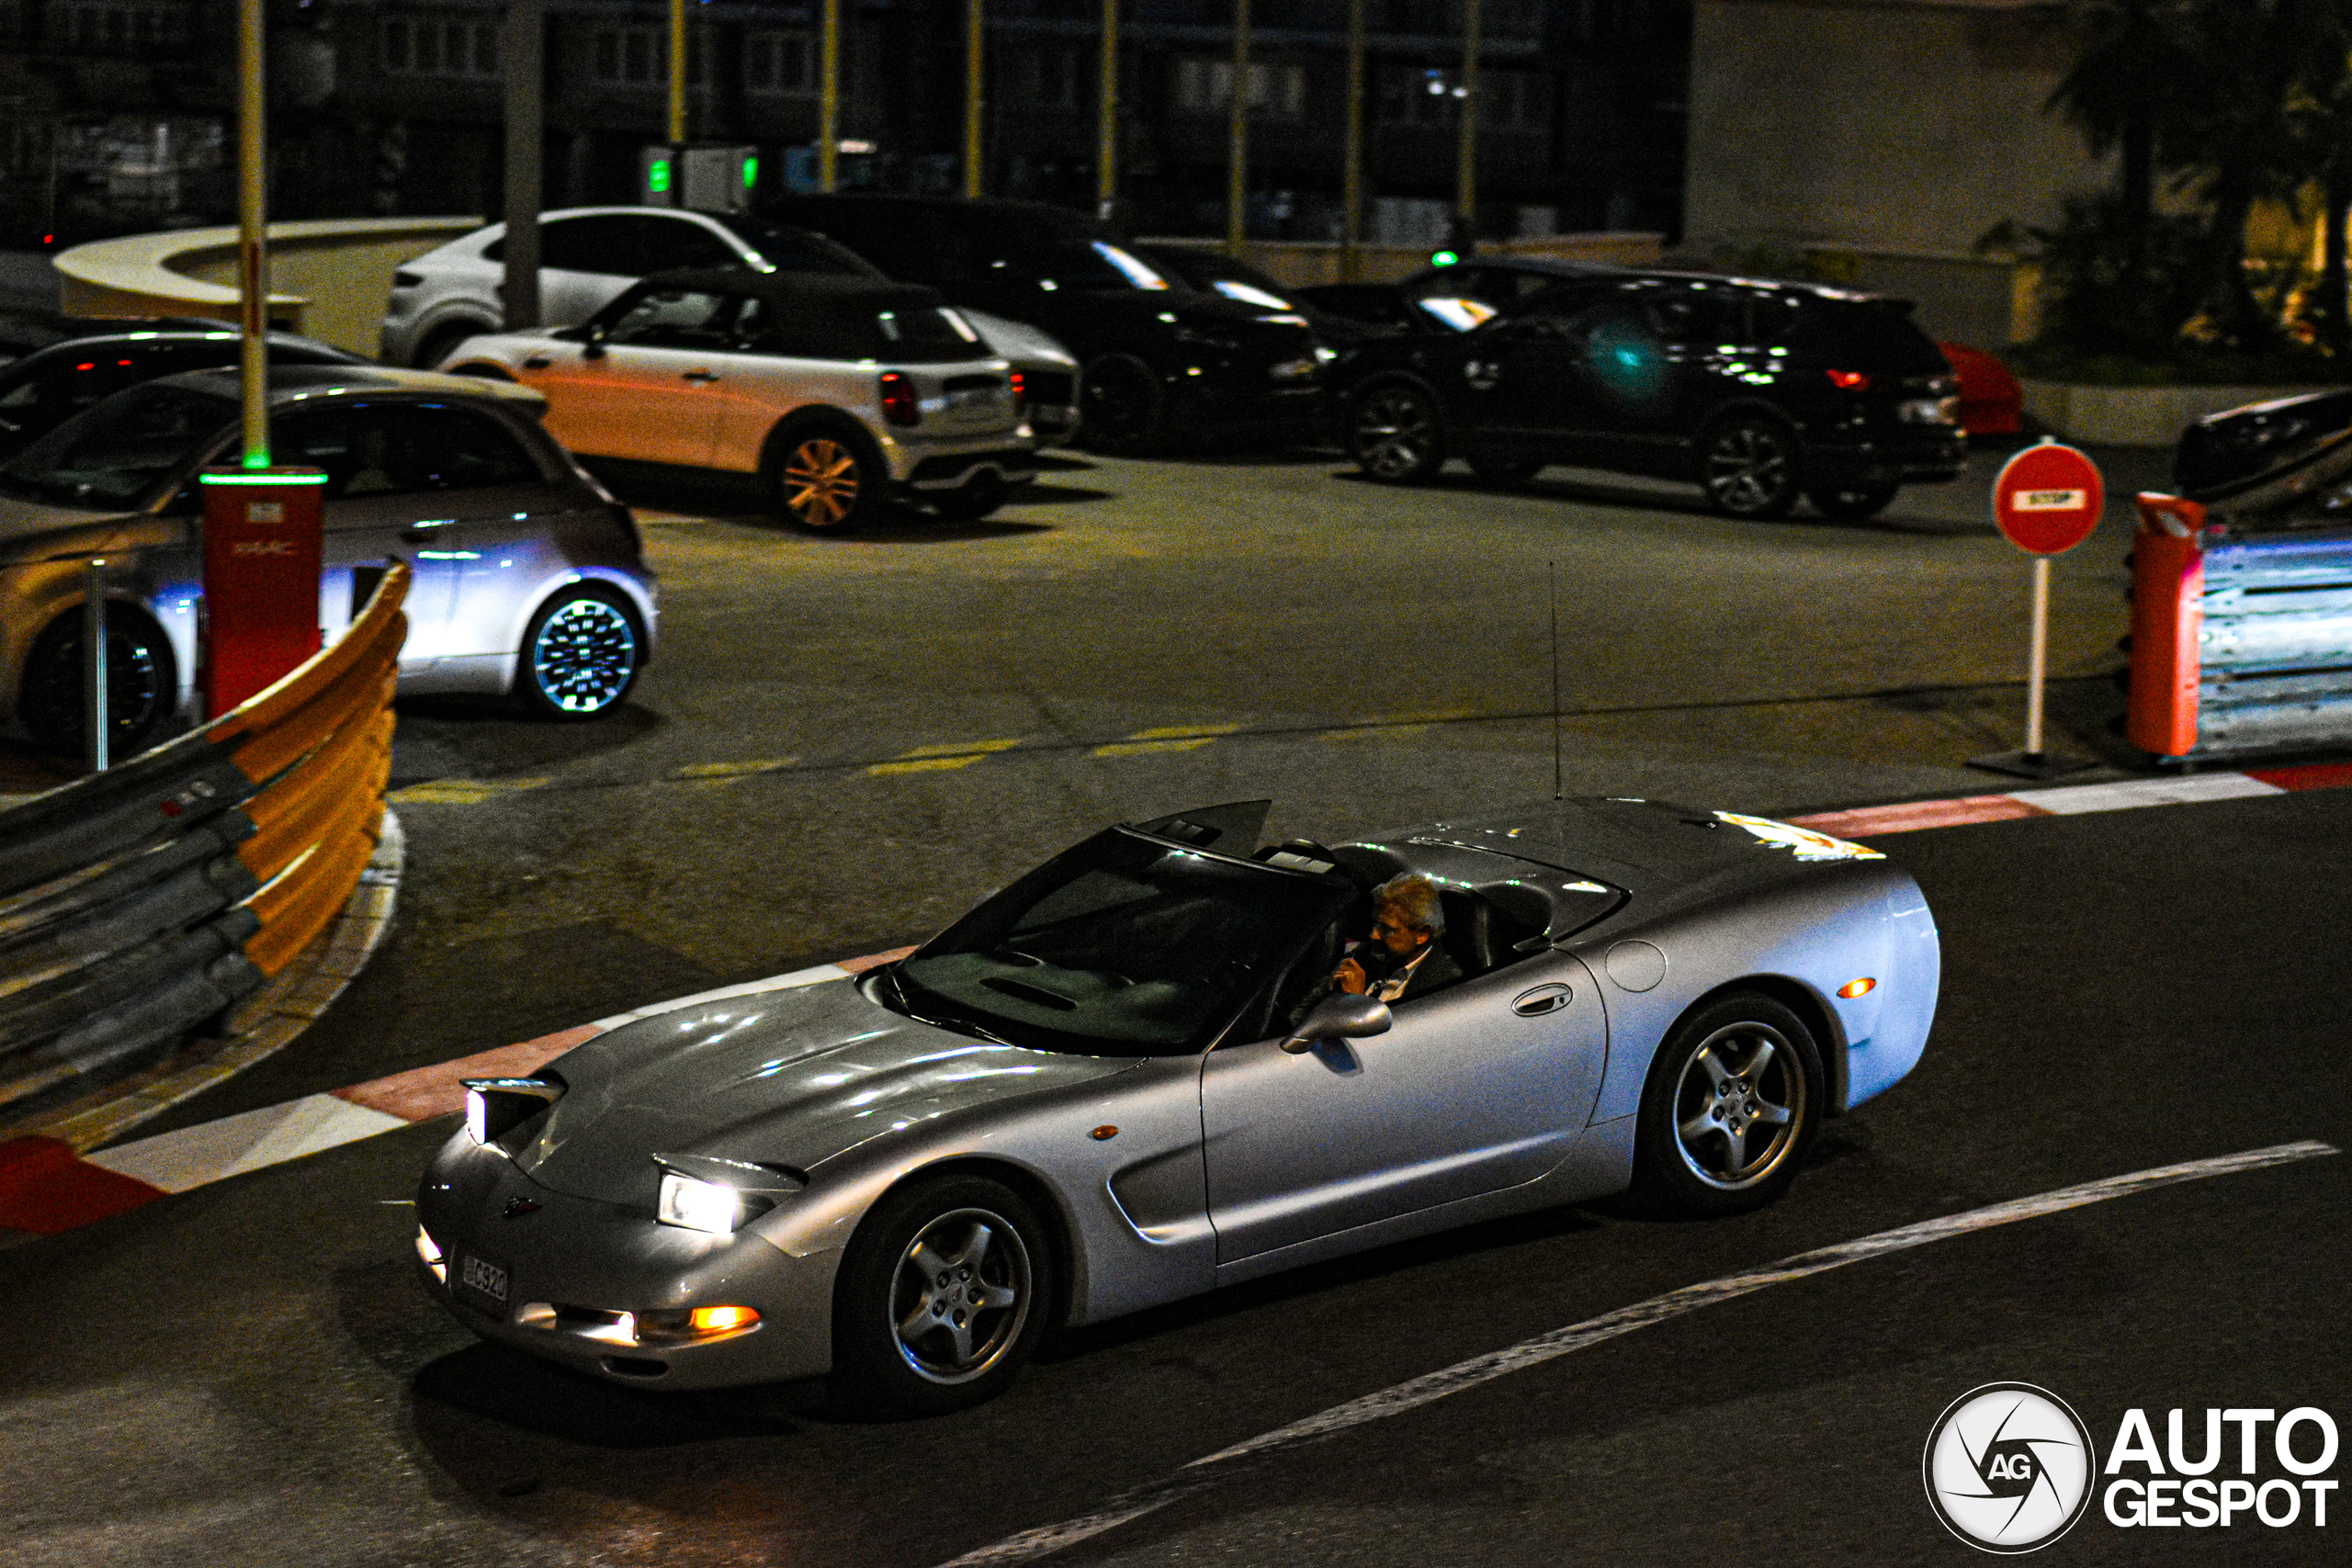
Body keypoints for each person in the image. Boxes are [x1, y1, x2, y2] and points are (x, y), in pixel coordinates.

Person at [1331, 873, 1460, 1004]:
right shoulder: (1365, 956)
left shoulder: (1443, 988)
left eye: (1387, 929)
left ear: (1422, 934)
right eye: (1376, 924)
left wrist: (1357, 1002)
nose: (1374, 935)